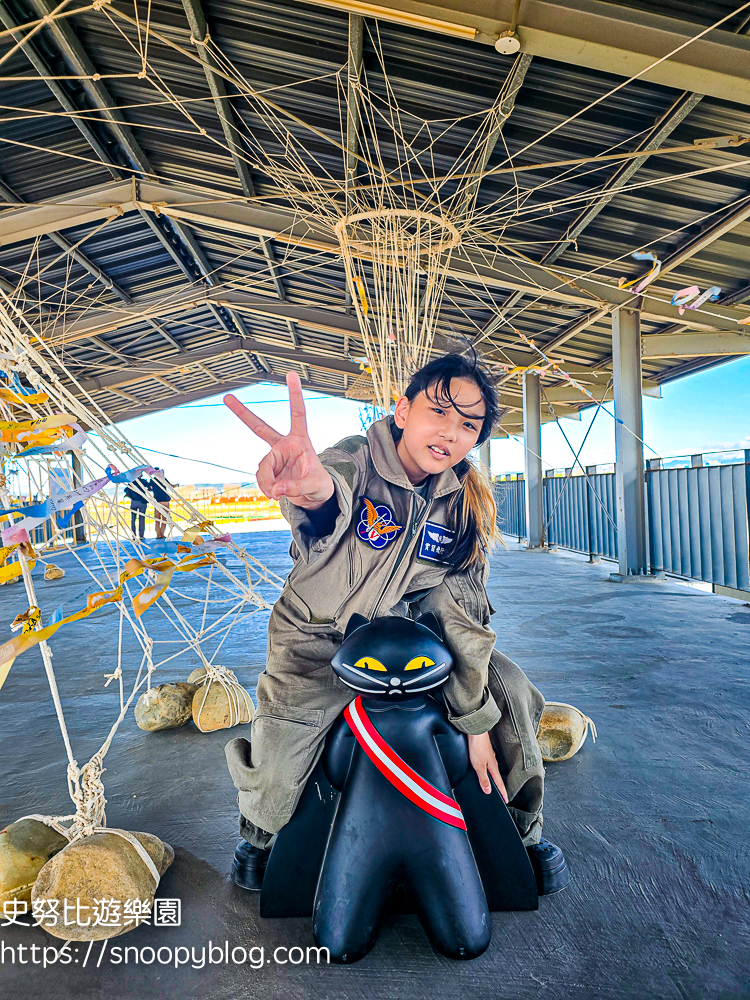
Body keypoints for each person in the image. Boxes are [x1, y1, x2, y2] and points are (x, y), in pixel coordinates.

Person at [223, 351, 566, 896]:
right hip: (314, 640)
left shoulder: (459, 504)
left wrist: (475, 720)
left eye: (468, 424)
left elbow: (462, 612)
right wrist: (307, 483)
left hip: (409, 639)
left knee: (514, 693)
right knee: (284, 745)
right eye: (440, 411)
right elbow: (323, 495)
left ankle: (520, 831)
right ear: (403, 410)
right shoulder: (355, 460)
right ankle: (259, 836)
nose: (451, 432)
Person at [146, 469, 173, 540]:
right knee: (165, 518)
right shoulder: (163, 479)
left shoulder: (152, 480)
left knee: (157, 519)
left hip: (157, 500)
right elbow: (171, 486)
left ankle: (158, 534)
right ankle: (162, 533)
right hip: (164, 499)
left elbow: (149, 488)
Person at [123, 475, 149, 540]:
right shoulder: (143, 481)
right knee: (142, 519)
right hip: (142, 502)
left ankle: (134, 535)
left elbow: (125, 490)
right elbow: (150, 488)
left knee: (133, 519)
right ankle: (141, 535)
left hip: (133, 502)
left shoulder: (131, 482)